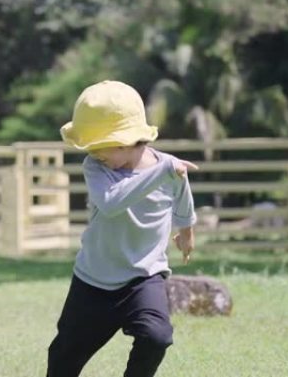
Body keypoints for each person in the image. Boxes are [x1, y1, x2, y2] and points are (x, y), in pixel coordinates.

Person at [46, 80, 198, 377]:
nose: (95, 154)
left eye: (100, 148)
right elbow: (112, 202)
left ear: (126, 141)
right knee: (64, 357)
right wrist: (163, 172)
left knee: (157, 337)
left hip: (144, 277)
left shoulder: (169, 168)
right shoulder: (96, 167)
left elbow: (182, 199)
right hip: (93, 280)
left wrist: (187, 232)